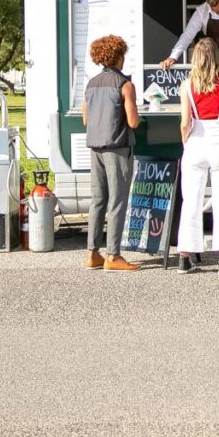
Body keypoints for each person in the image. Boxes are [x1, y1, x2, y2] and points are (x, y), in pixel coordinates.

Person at [176, 38, 219, 276]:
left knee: (190, 200)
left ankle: (184, 256)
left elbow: (185, 123)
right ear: (217, 57)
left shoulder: (187, 85)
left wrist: (187, 142)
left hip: (195, 143)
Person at [81, 35, 141, 272]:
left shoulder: (91, 84)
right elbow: (134, 122)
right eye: (123, 54)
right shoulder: (125, 85)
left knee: (98, 200)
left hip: (95, 148)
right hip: (117, 147)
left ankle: (92, 253)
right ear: (117, 56)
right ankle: (113, 255)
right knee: (117, 201)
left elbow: (86, 119)